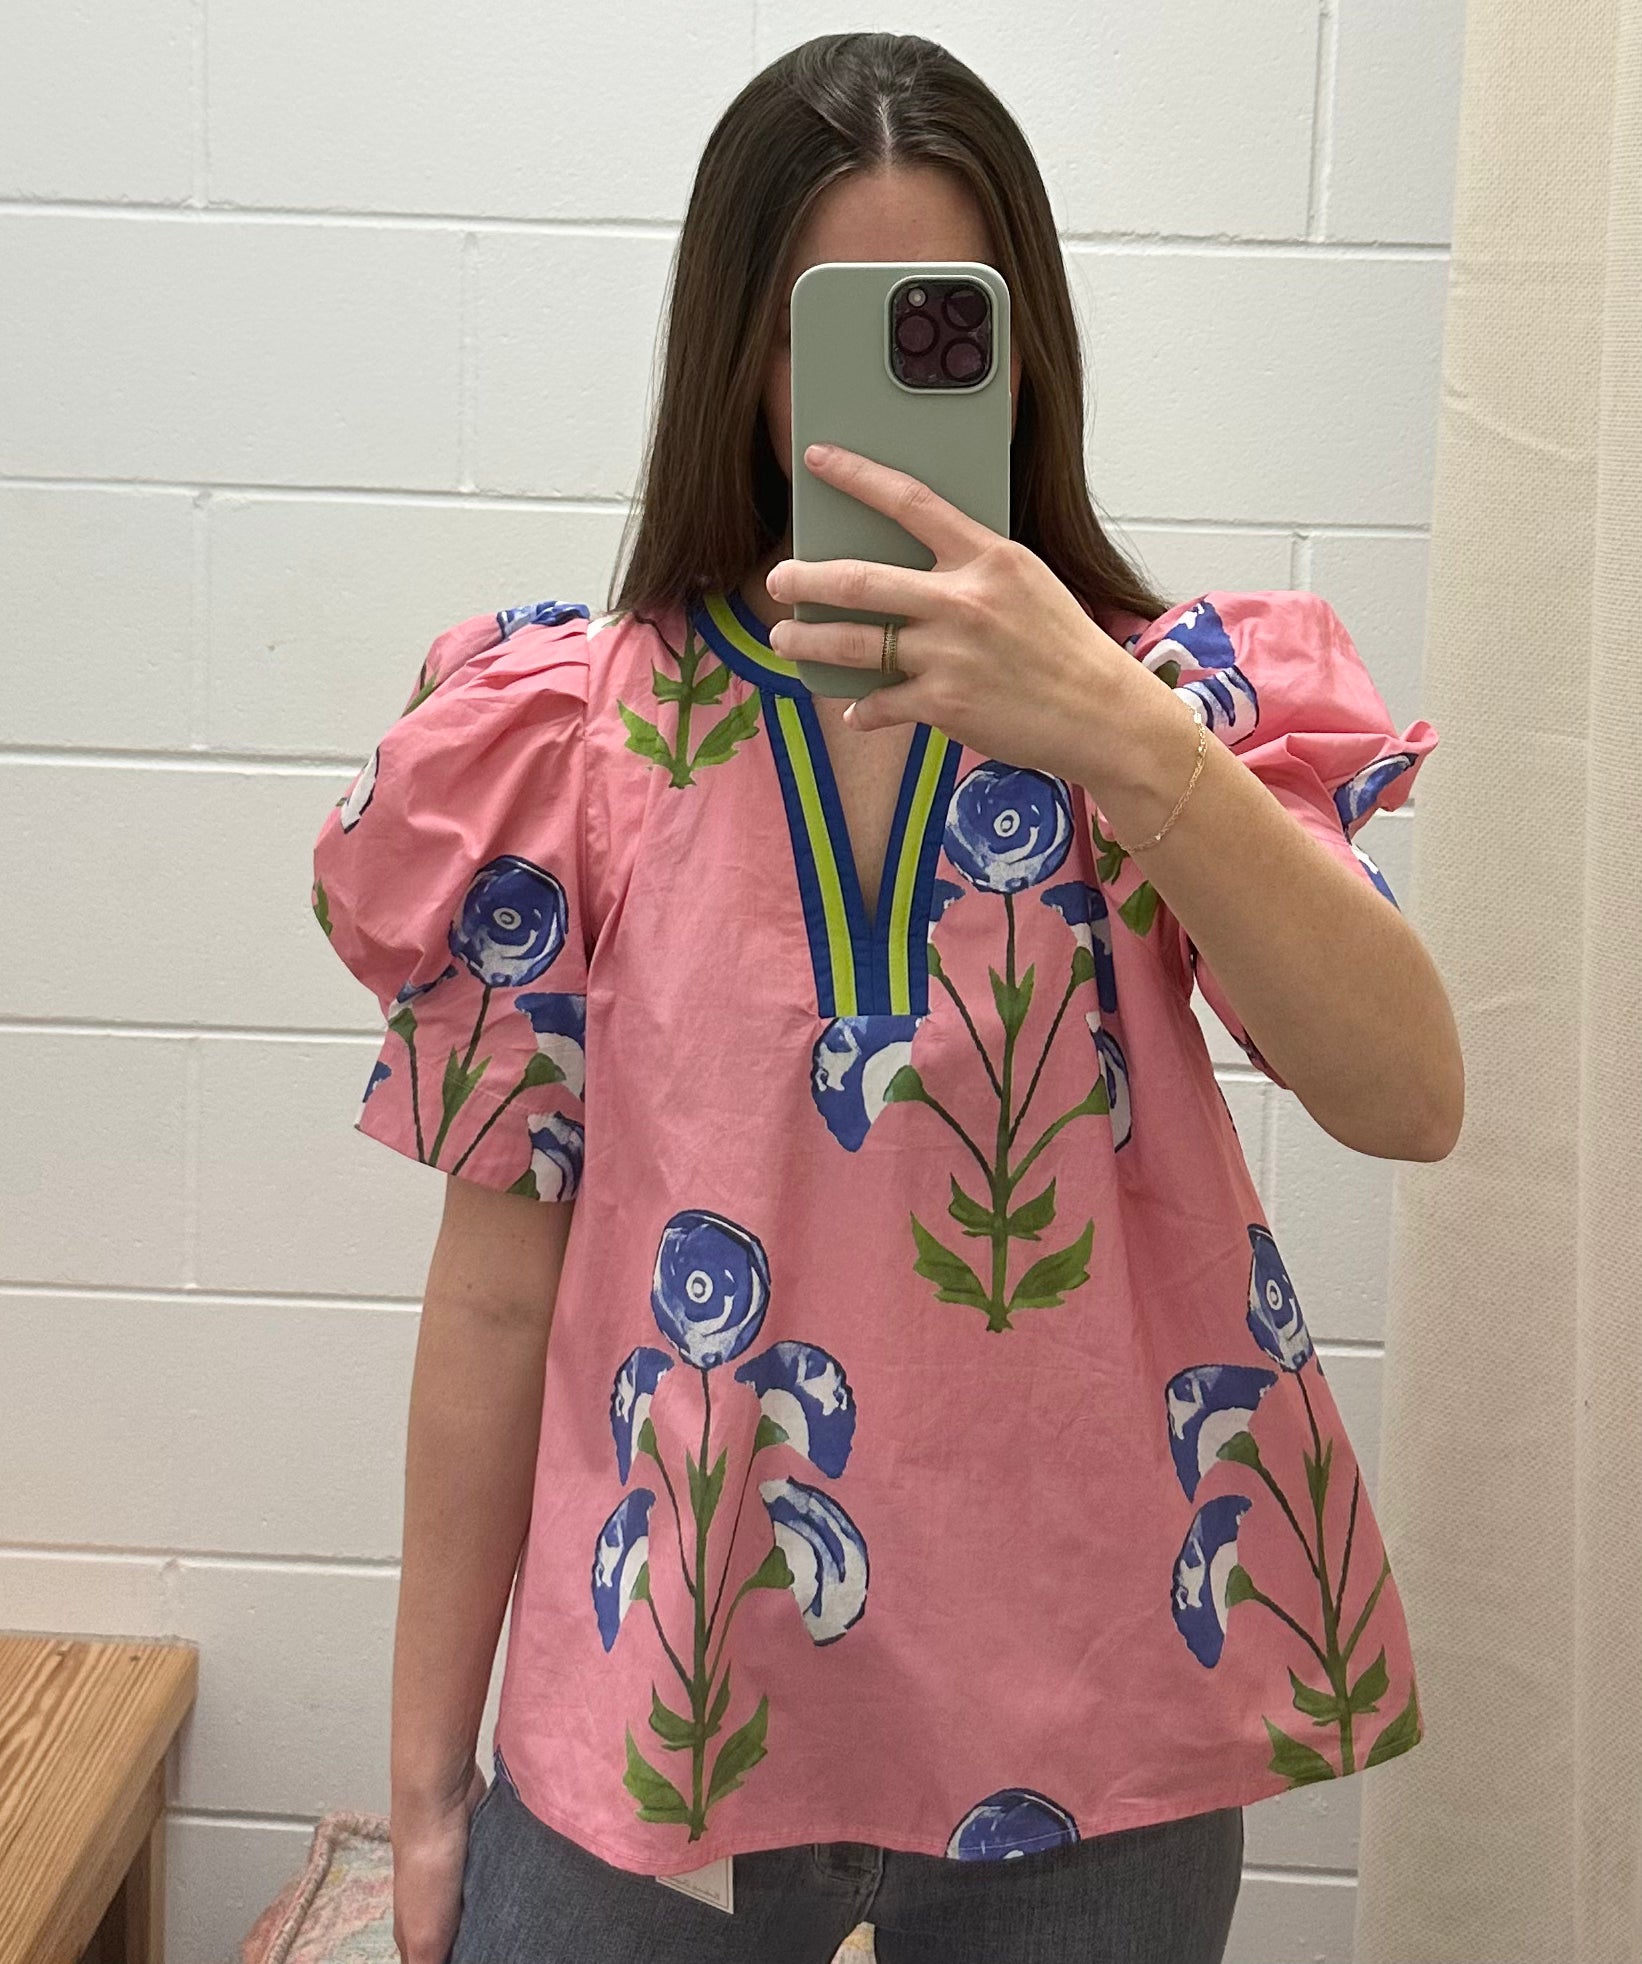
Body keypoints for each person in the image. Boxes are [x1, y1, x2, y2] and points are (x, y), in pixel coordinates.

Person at [309, 30, 1463, 1964]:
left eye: (949, 323)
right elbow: (499, 1289)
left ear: (1026, 350)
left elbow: (1408, 1096)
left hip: (1096, 1723)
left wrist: (1121, 734)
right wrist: (427, 1783)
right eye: (824, 332)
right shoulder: (562, 744)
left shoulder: (1169, 715)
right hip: (659, 1710)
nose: (887, 391)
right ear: (736, 358)